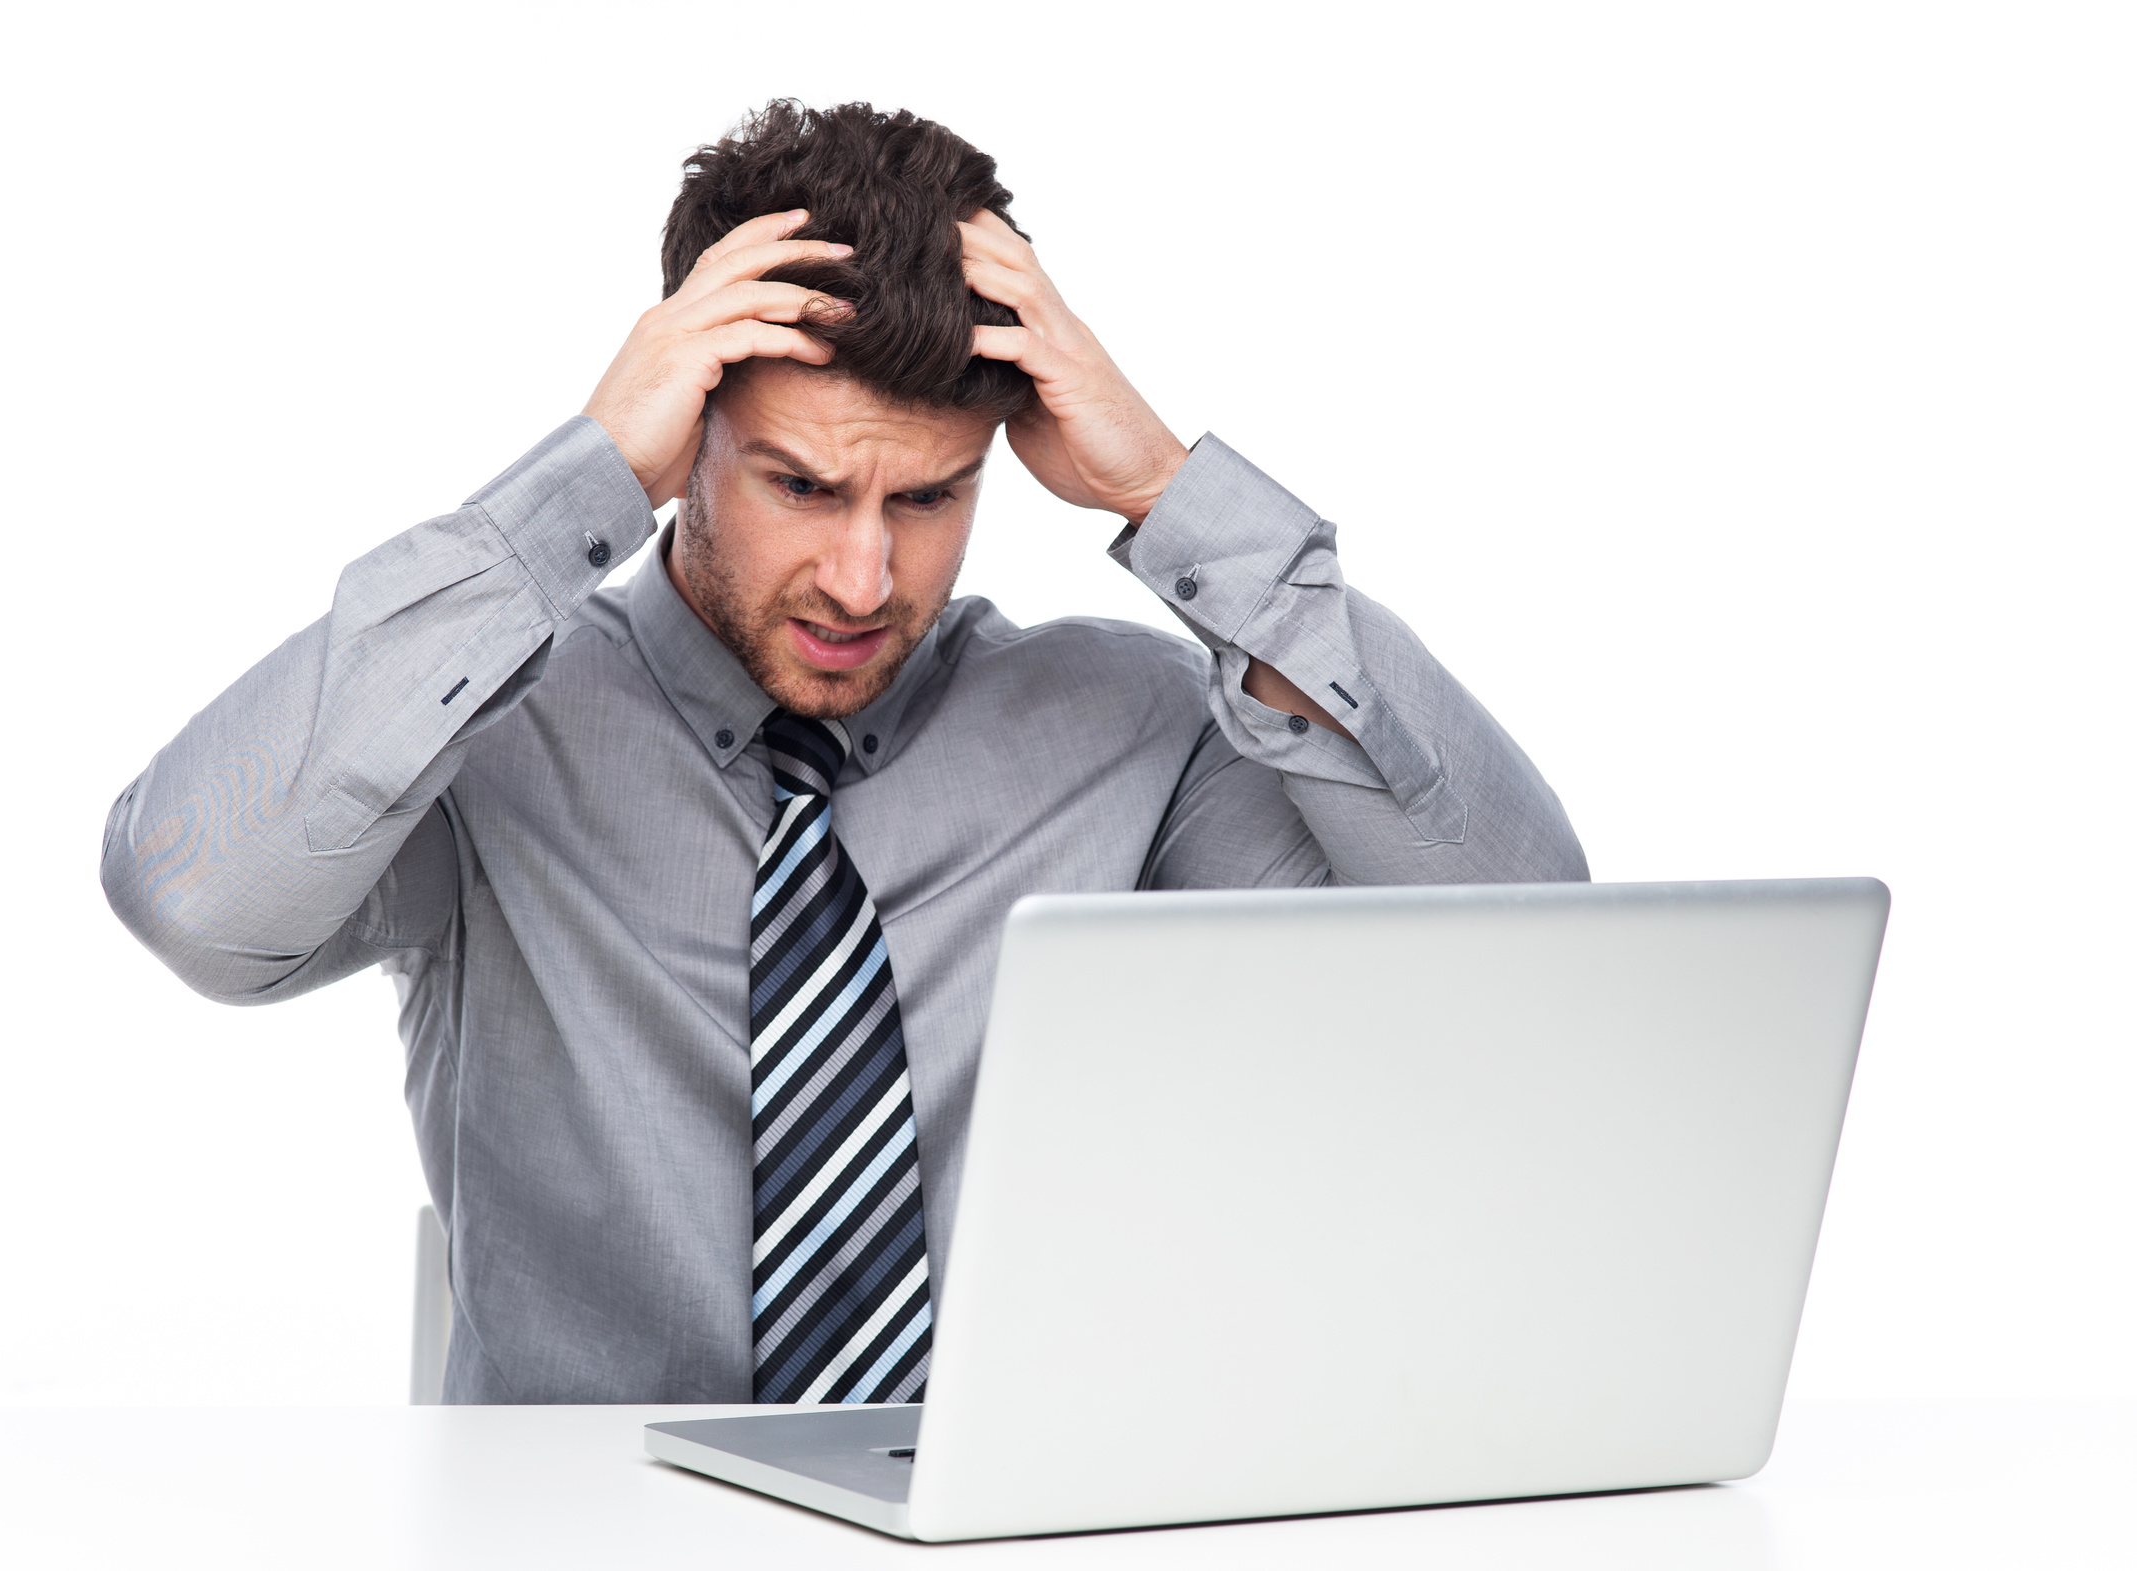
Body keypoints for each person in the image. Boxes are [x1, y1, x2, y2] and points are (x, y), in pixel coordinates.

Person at [103, 101, 1588, 1405]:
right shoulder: (483, 727)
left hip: (1009, 1523)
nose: (864, 580)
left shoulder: (1131, 731)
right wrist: (570, 494)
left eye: (929, 499)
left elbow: (1518, 956)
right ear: (685, 442)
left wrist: (1175, 494)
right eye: (802, 487)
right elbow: (196, 902)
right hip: (579, 1532)